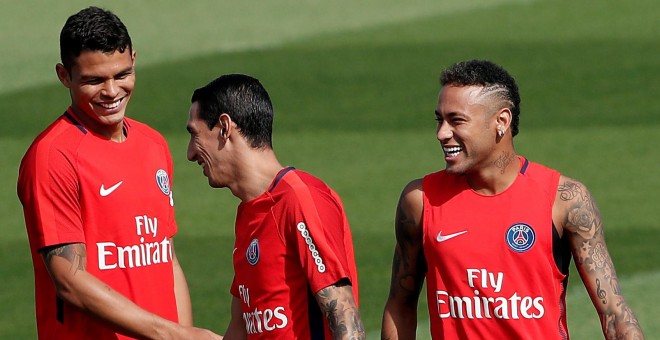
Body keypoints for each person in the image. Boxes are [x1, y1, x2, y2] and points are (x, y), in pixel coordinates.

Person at [381, 60, 644, 339]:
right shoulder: (420, 200)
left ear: (501, 121)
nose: (442, 133)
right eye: (439, 120)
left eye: (456, 120)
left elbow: (614, 314)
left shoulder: (564, 200)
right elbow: (400, 305)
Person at [17, 6, 221, 340]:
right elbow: (69, 280)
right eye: (94, 80)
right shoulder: (53, 157)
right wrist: (169, 334)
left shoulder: (153, 144)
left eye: (122, 75)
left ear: (135, 60)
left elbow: (164, 256)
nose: (112, 92)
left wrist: (182, 332)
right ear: (64, 76)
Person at [186, 74, 365, 339]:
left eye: (195, 135)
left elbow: (344, 314)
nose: (190, 153)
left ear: (224, 127)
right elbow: (242, 327)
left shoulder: (300, 199)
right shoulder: (247, 214)